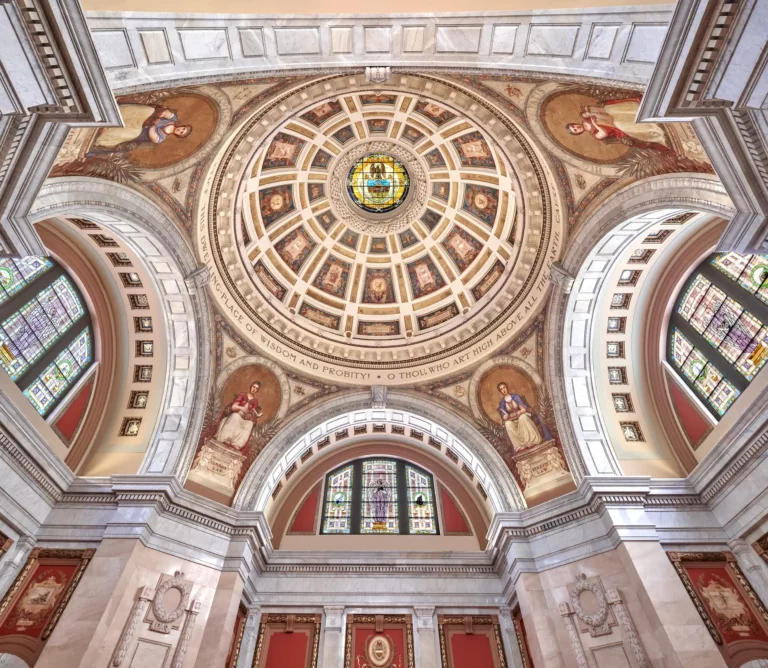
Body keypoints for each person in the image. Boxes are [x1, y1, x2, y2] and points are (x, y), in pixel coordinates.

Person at [566, 97, 669, 152]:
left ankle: (642, 109)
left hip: (610, 114)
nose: (576, 127)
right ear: (578, 133)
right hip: (616, 127)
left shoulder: (583, 118)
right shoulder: (594, 133)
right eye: (575, 130)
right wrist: (595, 124)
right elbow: (604, 133)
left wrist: (590, 114)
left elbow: (587, 112)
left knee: (609, 108)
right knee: (619, 123)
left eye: (574, 126)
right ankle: (652, 125)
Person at [87, 104, 192, 156]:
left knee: (135, 132)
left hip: (140, 130)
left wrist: (154, 125)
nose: (181, 130)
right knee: (149, 110)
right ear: (182, 126)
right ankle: (112, 112)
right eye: (183, 128)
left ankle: (106, 131)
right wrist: (161, 114)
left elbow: (153, 136)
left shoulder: (162, 138)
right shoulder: (174, 119)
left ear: (179, 135)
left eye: (182, 133)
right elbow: (166, 113)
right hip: (145, 119)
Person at [497, 382, 552, 452]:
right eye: (501, 389)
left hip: (521, 415)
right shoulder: (502, 403)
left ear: (506, 388)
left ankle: (531, 441)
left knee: (522, 418)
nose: (503, 390)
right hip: (513, 420)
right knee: (508, 424)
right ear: (500, 391)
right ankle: (519, 446)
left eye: (504, 387)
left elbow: (523, 409)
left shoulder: (515, 396)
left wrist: (519, 412)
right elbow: (504, 416)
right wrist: (506, 416)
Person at [210, 381, 263, 450]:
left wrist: (252, 415)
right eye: (254, 387)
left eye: (256, 388)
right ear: (251, 386)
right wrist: (241, 408)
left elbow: (251, 413)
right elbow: (233, 407)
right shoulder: (243, 395)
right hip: (236, 414)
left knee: (249, 424)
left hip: (244, 419)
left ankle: (237, 443)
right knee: (236, 416)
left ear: (257, 391)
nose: (254, 389)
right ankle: (227, 439)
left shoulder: (255, 402)